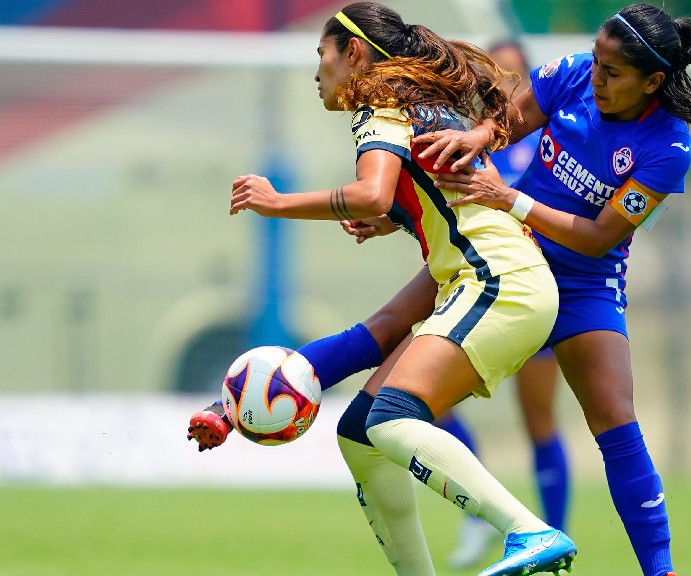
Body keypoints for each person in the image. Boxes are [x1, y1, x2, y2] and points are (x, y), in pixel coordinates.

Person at [188, 4, 576, 575]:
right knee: (361, 434)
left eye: (321, 55)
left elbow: (371, 194)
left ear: (354, 53)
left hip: (500, 283)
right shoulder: (420, 117)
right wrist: (230, 406)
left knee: (391, 417)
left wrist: (277, 204)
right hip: (503, 282)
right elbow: (374, 334)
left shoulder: (381, 97)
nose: (317, 70)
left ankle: (528, 532)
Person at [414, 5, 691, 575]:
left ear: (653, 82)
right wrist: (401, 200)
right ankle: (515, 530)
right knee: (401, 389)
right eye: (597, 62)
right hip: (511, 259)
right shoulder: (574, 72)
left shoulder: (669, 148)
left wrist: (511, 200)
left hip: (584, 282)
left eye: (612, 72)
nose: (595, 77)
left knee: (614, 419)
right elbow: (497, 130)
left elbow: (599, 238)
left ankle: (659, 569)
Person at [434, 40, 571, 572]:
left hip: (531, 291)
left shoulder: (548, 138)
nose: (501, 82)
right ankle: (477, 516)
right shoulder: (474, 138)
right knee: (424, 405)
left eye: (512, 74)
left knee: (539, 420)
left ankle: (554, 534)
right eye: (491, 72)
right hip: (476, 286)